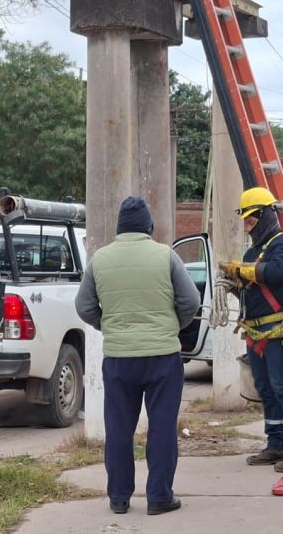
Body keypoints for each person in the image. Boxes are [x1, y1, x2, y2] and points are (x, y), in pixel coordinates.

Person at [75, 196, 201, 516]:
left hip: (118, 358)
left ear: (119, 228)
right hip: (162, 357)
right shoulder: (165, 255)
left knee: (118, 428)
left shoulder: (100, 260)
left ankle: (119, 498)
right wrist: (172, 325)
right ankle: (159, 497)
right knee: (161, 426)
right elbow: (191, 301)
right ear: (149, 227)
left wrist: (110, 326)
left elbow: (84, 307)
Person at [219, 187, 283, 472]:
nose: (248, 227)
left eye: (252, 221)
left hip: (279, 333)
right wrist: (235, 284)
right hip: (255, 334)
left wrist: (244, 271)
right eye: (246, 221)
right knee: (266, 390)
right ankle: (276, 443)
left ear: (266, 215)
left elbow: (277, 272)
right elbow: (251, 288)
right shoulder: (253, 251)